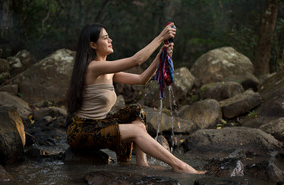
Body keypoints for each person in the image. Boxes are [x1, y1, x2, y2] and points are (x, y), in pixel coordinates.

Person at [66, 23, 204, 174]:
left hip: (99, 125)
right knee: (136, 130)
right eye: (105, 38)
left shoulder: (107, 69)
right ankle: (180, 166)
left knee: (136, 111)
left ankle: (142, 163)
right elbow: (136, 60)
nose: (110, 40)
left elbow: (142, 79)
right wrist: (160, 37)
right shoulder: (93, 67)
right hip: (82, 131)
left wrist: (160, 56)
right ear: (93, 45)